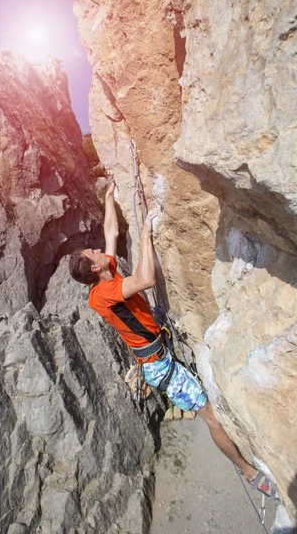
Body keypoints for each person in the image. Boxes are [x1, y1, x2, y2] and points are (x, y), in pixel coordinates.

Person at [69, 181, 279, 500]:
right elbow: (145, 279)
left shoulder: (106, 271)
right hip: (159, 365)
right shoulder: (103, 295)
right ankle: (248, 472)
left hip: (157, 352)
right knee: (211, 415)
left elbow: (110, 231)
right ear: (94, 268)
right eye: (93, 253)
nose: (98, 249)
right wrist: (145, 233)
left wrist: (109, 198)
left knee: (210, 404)